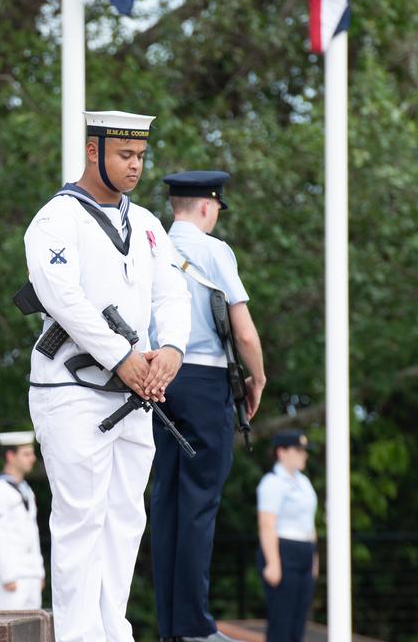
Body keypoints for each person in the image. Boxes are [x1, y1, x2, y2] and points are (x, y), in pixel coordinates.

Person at [23, 111, 191, 642]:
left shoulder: (145, 223)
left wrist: (172, 350)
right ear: (94, 152)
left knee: (124, 519)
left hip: (136, 394)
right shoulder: (56, 219)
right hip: (71, 390)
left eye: (140, 156)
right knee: (79, 520)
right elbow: (64, 300)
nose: (135, 166)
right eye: (125, 155)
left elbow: (172, 293)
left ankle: (112, 631)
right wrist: (123, 357)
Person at [150, 171, 268, 642]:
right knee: (200, 502)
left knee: (167, 501)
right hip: (203, 380)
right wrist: (256, 378)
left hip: (158, 376)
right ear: (206, 206)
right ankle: (195, 627)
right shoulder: (215, 251)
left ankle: (171, 626)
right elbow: (243, 331)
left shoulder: (151, 242)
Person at [256, 430, 318, 642]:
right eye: (298, 450)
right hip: (283, 551)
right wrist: (273, 562)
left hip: (304, 552)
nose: (304, 455)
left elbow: (309, 523)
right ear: (281, 452)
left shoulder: (304, 482)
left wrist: (314, 559)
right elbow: (267, 524)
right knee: (281, 621)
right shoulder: (272, 482)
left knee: (298, 622)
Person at [0, 430, 45, 610]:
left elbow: (32, 533)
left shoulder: (26, 490)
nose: (32, 459)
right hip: (11, 576)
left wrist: (38, 573)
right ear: (10, 456)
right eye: (26, 454)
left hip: (30, 574)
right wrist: (8, 576)